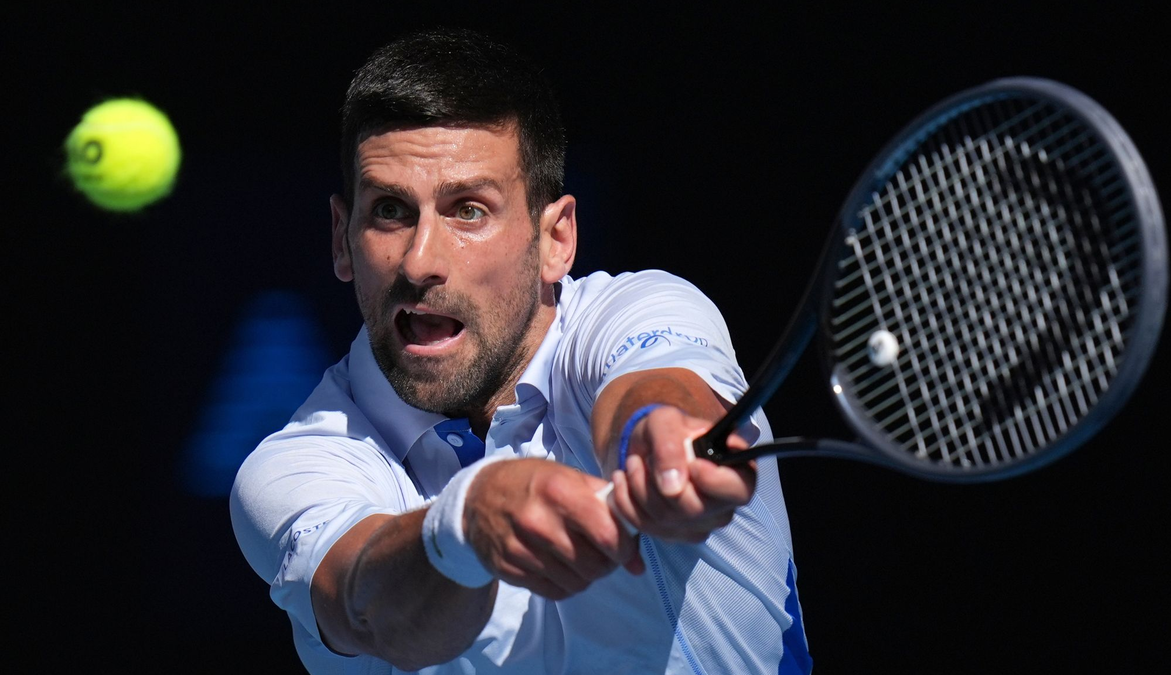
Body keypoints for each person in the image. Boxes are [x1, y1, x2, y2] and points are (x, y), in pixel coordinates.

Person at [230, 26, 812, 675]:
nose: (421, 261)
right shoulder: (293, 464)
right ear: (342, 239)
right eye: (391, 210)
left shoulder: (639, 312)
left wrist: (662, 441)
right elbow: (368, 604)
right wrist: (464, 527)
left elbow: (657, 391)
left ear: (556, 239)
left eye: (469, 210)